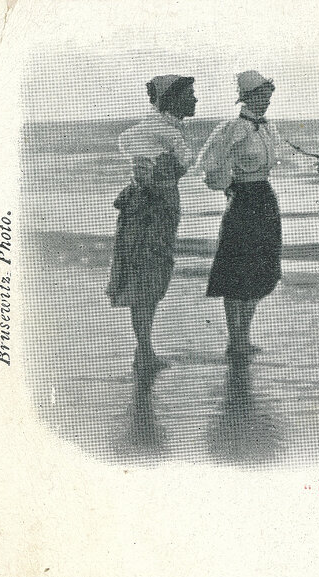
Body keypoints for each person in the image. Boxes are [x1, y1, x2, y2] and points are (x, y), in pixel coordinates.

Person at [107, 74, 197, 373]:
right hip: (151, 212)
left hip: (158, 209)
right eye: (190, 95)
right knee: (147, 276)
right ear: (171, 99)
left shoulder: (164, 130)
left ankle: (144, 349)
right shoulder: (155, 132)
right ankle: (144, 352)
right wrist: (152, 183)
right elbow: (145, 174)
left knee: (151, 275)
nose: (195, 99)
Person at [199, 71, 283, 361]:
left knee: (260, 268)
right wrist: (226, 185)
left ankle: (244, 336)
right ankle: (234, 339)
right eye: (262, 96)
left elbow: (273, 161)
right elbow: (211, 164)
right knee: (236, 271)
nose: (266, 102)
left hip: (265, 199)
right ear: (247, 98)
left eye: (268, 97)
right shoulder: (233, 127)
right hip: (243, 201)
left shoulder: (268, 129)